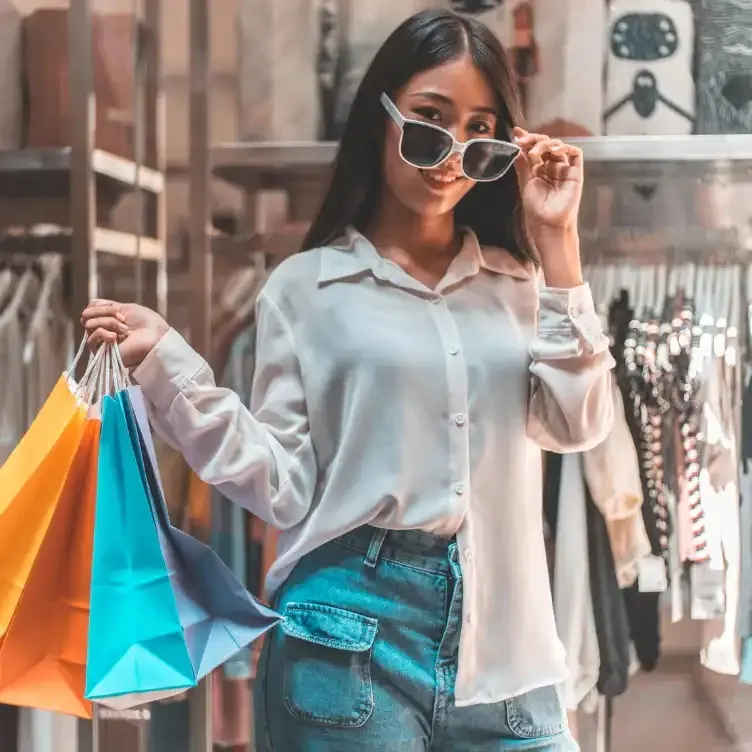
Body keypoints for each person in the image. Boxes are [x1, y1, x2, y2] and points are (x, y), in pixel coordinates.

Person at [82, 9, 614, 751]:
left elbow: (577, 424)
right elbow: (286, 486)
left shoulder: (523, 286)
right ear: (382, 117)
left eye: (478, 134)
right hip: (344, 633)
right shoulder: (305, 289)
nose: (450, 156)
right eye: (429, 123)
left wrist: (559, 245)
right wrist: (169, 365)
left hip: (509, 654)